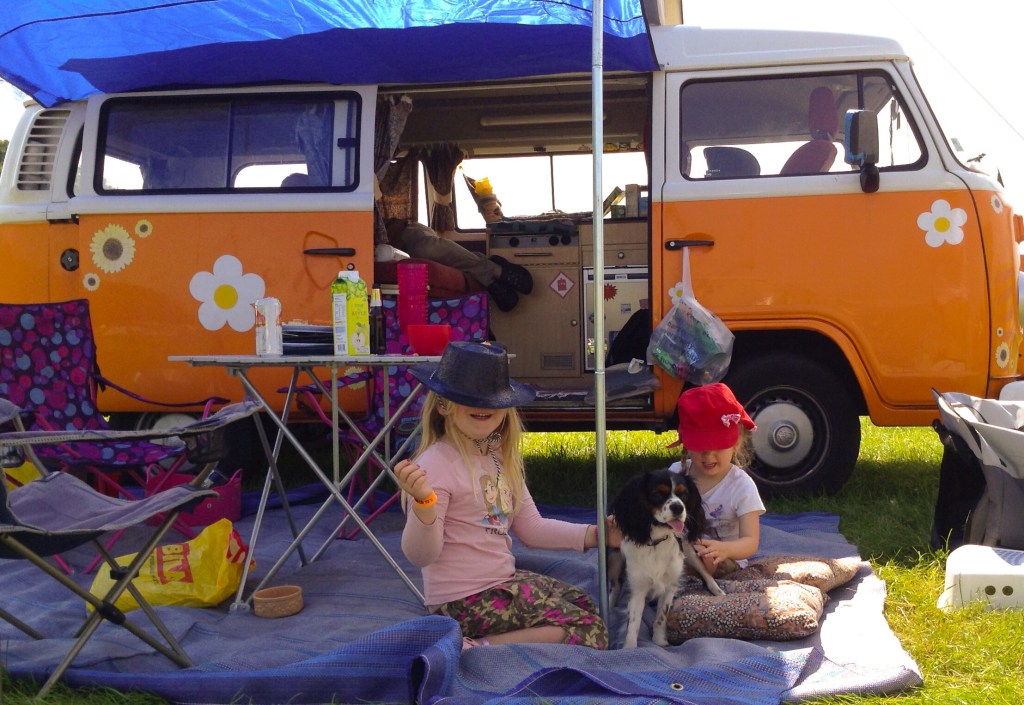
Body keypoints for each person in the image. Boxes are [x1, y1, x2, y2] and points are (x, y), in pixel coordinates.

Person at [394, 341, 617, 648]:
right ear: (443, 405)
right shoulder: (435, 464)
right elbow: (421, 555)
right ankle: (479, 647)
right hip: (461, 601)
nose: (483, 406)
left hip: (499, 584)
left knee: (583, 603)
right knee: (592, 630)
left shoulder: (498, 456)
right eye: (469, 398)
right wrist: (424, 505)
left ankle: (492, 639)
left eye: (492, 398)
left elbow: (532, 528)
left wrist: (596, 534)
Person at [667, 382, 765, 577]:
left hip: (724, 560)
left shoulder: (741, 485)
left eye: (718, 447)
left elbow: (750, 541)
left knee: (706, 559)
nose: (708, 456)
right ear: (686, 445)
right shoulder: (676, 474)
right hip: (678, 551)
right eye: (700, 447)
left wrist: (725, 549)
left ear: (735, 445)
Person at [383, 218, 532, 312]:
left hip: (403, 233)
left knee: (426, 249)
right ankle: (488, 279)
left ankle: (496, 270)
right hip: (390, 252)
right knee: (430, 261)